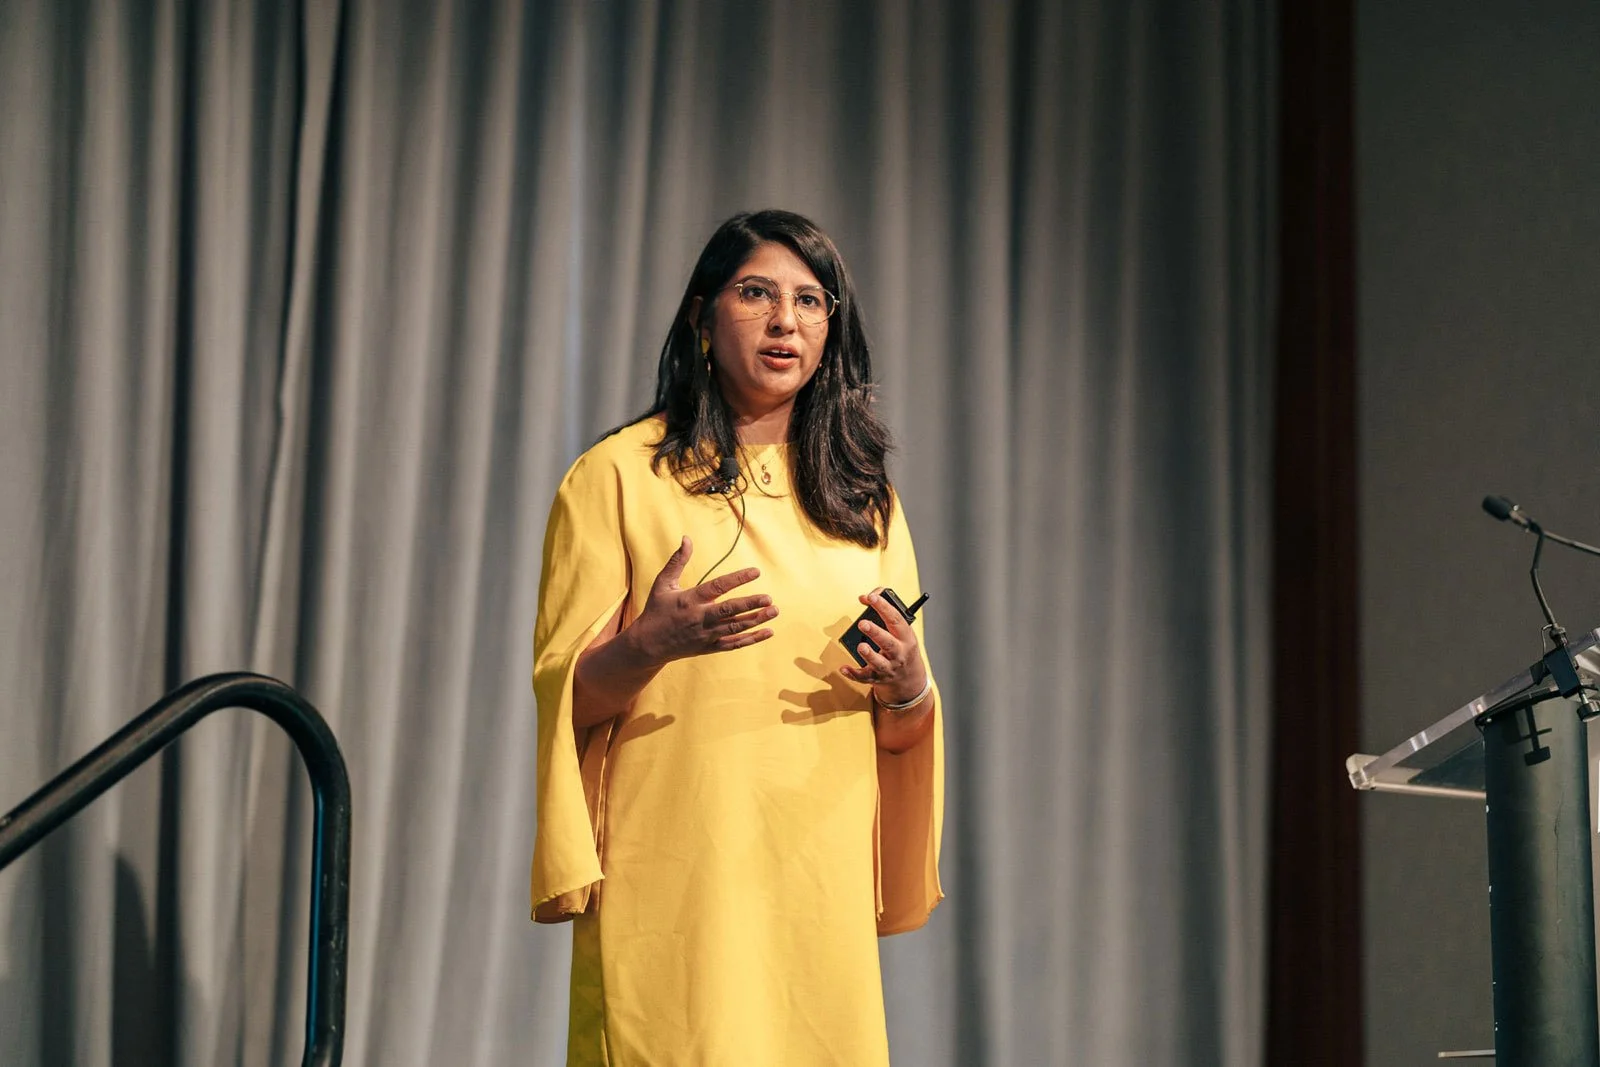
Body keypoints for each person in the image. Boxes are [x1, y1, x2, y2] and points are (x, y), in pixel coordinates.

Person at [530, 209, 944, 1066]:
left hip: (812, 892)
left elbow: (902, 723)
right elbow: (565, 699)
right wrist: (648, 644)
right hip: (676, 887)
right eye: (755, 292)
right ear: (701, 316)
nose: (785, 319)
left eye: (809, 300)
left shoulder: (864, 502)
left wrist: (907, 683)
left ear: (833, 331)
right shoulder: (617, 477)